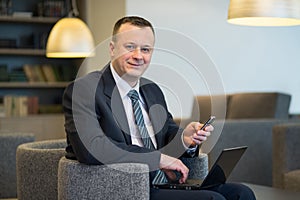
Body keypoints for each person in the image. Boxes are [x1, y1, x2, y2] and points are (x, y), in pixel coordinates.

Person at [63, 16, 256, 200]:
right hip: (127, 187)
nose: (138, 56)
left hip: (163, 182)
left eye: (145, 49)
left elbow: (166, 133)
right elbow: (91, 148)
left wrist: (184, 138)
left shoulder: (151, 90)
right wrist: (157, 159)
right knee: (212, 198)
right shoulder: (84, 90)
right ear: (112, 49)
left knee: (241, 193)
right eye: (130, 47)